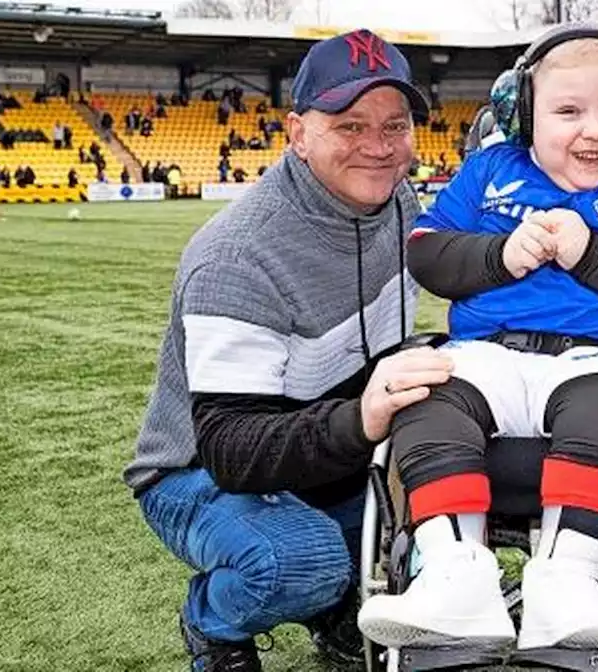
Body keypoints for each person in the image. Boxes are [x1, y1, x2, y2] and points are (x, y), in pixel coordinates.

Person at [357, 23, 598, 656]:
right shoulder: (490, 169)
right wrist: (501, 255)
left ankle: (569, 578)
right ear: (523, 114)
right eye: (568, 111)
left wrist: (591, 252)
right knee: (425, 397)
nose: (594, 130)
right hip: (488, 354)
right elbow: (427, 253)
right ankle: (454, 575)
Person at [123, 29, 445, 672]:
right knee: (306, 562)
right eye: (350, 125)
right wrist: (364, 419)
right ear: (298, 133)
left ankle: (337, 607)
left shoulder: (401, 202)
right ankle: (213, 623)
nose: (379, 147)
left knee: (438, 526)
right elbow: (234, 448)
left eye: (395, 125)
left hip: (322, 448)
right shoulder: (238, 258)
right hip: (200, 470)